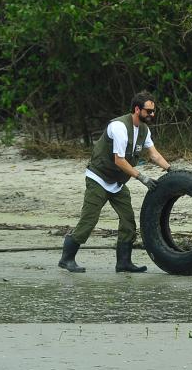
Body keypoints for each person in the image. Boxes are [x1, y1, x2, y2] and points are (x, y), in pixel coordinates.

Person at [58, 91, 171, 273]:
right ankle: (67, 259)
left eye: (153, 111)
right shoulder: (119, 127)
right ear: (137, 109)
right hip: (98, 179)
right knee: (89, 220)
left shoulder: (144, 130)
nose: (152, 115)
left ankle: (123, 263)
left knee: (128, 222)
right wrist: (141, 177)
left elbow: (154, 154)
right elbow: (119, 160)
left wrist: (170, 169)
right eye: (148, 111)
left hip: (117, 183)